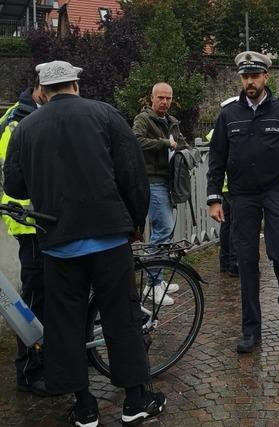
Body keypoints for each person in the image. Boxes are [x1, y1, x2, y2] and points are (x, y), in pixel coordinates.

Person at [3, 60, 166, 426]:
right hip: (109, 238)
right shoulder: (105, 115)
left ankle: (84, 405)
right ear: (76, 84)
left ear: (43, 92)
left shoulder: (25, 127)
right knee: (121, 317)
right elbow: (133, 175)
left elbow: (14, 187)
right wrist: (134, 223)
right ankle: (136, 400)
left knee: (65, 324)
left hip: (58, 241)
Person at [207, 51, 279, 353]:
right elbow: (216, 157)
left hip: (275, 192)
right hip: (242, 195)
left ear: (265, 77)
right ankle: (251, 330)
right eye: (245, 77)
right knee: (246, 262)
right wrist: (214, 197)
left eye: (254, 76)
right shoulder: (229, 114)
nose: (250, 82)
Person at [0, 77, 50, 396]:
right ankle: (29, 370)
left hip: (42, 219)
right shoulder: (18, 122)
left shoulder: (33, 115)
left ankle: (48, 357)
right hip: (29, 220)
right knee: (34, 295)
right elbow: (18, 173)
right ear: (38, 89)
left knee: (49, 292)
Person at [133, 82, 187, 305]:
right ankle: (152, 285)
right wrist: (165, 143)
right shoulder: (143, 119)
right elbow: (135, 141)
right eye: (161, 98)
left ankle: (159, 277)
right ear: (152, 98)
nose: (165, 102)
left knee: (164, 230)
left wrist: (183, 149)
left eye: (168, 98)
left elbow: (181, 143)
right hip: (152, 181)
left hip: (168, 182)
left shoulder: (172, 121)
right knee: (163, 227)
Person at [206, 127, 238, 278]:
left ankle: (224, 263)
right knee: (234, 224)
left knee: (226, 225)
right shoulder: (228, 128)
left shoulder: (215, 131)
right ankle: (234, 263)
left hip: (224, 186)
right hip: (233, 185)